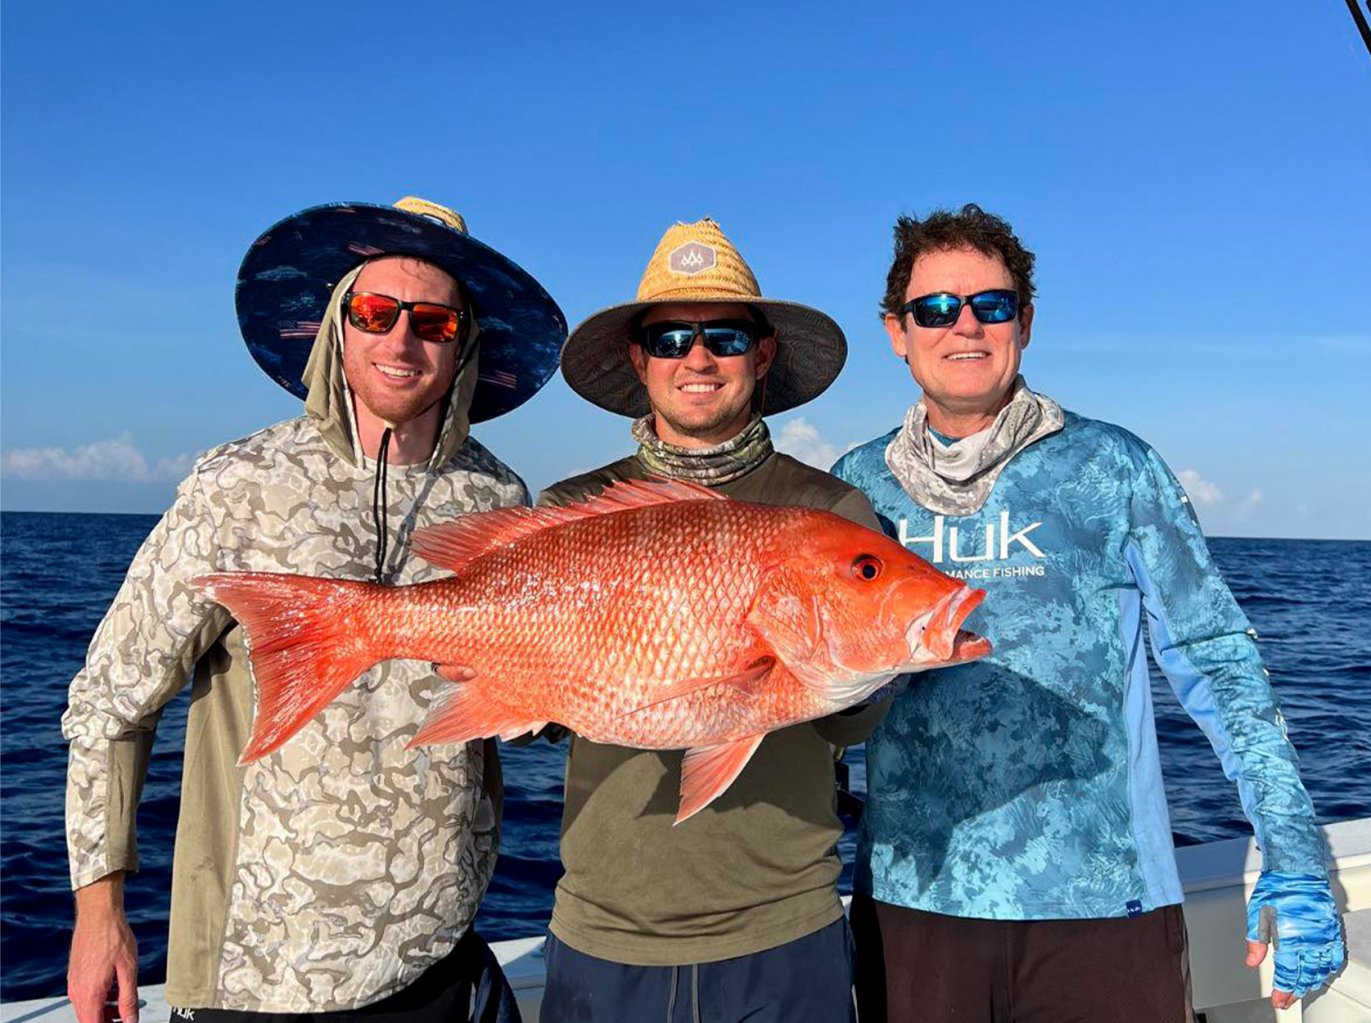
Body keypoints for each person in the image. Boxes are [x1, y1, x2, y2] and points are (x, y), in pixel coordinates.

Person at [833, 203, 1346, 1021]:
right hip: (911, 907)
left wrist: (1292, 852)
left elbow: (1216, 659)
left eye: (989, 304)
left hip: (1105, 907)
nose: (963, 325)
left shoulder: (1113, 467)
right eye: (934, 308)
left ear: (1024, 322)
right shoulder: (856, 485)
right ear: (896, 331)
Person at [62, 197, 567, 1023]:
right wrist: (97, 913)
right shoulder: (237, 484)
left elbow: (511, 689)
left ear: (464, 341)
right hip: (261, 974)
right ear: (338, 326)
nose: (400, 341)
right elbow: (110, 702)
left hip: (439, 955)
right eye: (376, 313)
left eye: (433, 321)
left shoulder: (497, 495)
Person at [539, 218, 889, 1021]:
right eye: (670, 338)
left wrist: (881, 661)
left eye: (724, 335)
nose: (697, 358)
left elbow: (852, 728)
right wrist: (501, 679)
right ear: (639, 359)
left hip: (784, 927)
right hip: (604, 927)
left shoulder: (828, 509)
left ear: (761, 354)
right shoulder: (569, 510)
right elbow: (545, 722)